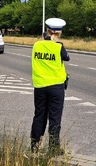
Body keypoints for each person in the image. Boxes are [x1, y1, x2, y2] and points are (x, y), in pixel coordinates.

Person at [30, 18, 70, 155]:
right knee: (54, 117)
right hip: (55, 88)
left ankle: (34, 145)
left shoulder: (36, 45)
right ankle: (53, 148)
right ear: (59, 33)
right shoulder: (59, 47)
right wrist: (57, 42)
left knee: (39, 115)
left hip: (40, 86)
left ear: (47, 31)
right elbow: (67, 58)